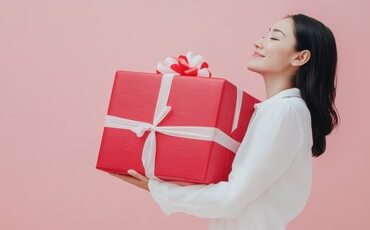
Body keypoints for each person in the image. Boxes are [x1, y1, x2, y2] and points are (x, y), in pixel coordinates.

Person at [109, 13, 339, 230]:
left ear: (300, 57)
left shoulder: (284, 111)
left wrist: (156, 188)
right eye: (265, 34)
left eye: (274, 37)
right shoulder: (276, 110)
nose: (259, 42)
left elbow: (229, 200)